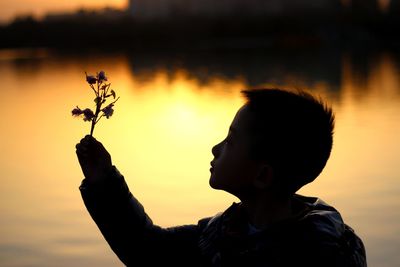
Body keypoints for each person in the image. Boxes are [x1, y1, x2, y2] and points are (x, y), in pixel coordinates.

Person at [76, 88, 367, 267]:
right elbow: (150, 251)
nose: (215, 149)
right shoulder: (223, 234)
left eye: (230, 141)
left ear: (263, 175)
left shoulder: (326, 255)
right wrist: (104, 183)